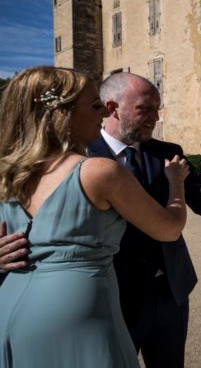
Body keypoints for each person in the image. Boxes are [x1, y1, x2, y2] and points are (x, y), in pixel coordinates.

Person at [0, 72, 201, 368]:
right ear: (112, 108)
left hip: (168, 290)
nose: (155, 117)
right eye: (145, 109)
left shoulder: (168, 153)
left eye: (158, 108)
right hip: (110, 297)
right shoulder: (82, 160)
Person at [0, 66, 189, 367]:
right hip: (77, 314)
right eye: (94, 105)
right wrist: (176, 183)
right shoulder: (97, 170)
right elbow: (169, 229)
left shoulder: (8, 173)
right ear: (62, 113)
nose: (103, 114)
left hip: (11, 310)